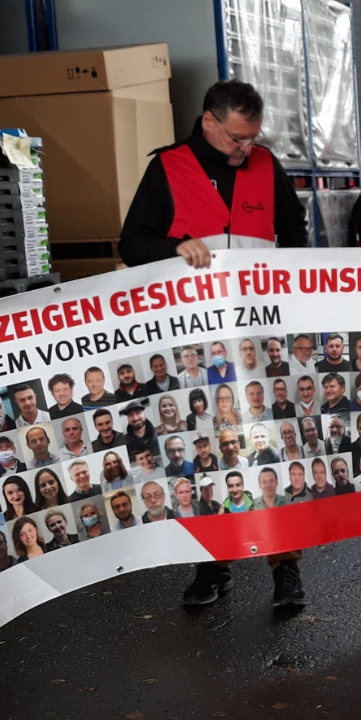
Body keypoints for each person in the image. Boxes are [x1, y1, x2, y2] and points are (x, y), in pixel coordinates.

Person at [118, 79, 311, 610]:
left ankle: (285, 571)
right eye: (236, 138)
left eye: (253, 138)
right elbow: (131, 244)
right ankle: (212, 565)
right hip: (194, 349)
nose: (246, 148)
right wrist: (172, 248)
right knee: (207, 460)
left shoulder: (267, 168)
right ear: (208, 121)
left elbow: (295, 241)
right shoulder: (167, 168)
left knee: (273, 449)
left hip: (258, 343)